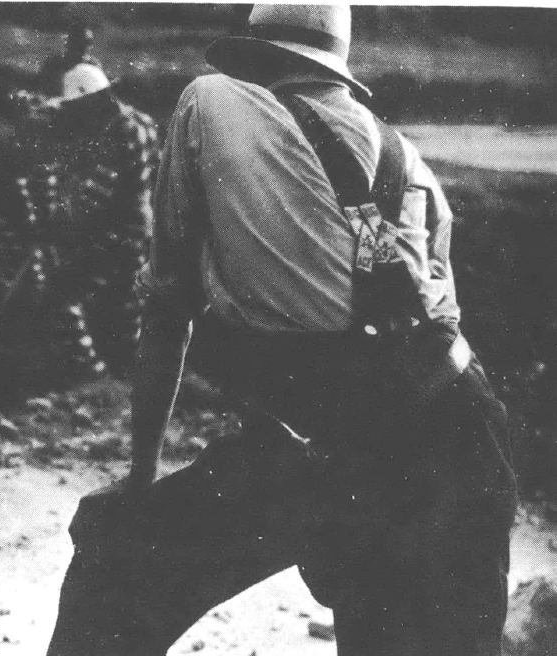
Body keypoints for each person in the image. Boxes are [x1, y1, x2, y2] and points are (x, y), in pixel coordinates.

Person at [46, 5, 517, 656]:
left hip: (328, 440)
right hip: (457, 438)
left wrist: (141, 476)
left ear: (255, 60)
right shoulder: (409, 162)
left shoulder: (210, 101)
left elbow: (166, 309)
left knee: (116, 567)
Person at [44, 62, 159, 377]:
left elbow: (100, 190)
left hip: (117, 229)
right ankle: (131, 369)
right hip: (142, 223)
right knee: (126, 301)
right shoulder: (143, 121)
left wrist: (64, 221)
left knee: (62, 289)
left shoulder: (115, 132)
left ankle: (90, 371)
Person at [38, 22, 101, 97]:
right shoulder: (54, 65)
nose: (85, 47)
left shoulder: (93, 65)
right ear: (69, 43)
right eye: (79, 43)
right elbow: (43, 92)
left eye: (89, 42)